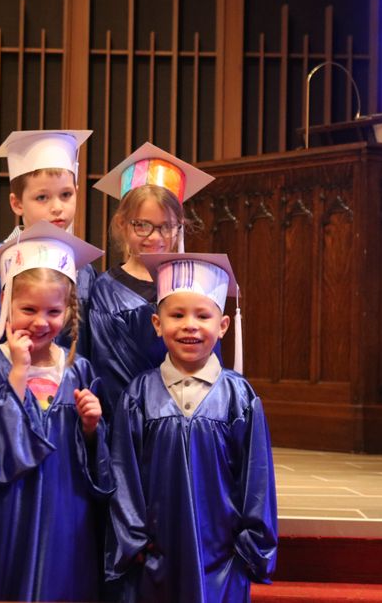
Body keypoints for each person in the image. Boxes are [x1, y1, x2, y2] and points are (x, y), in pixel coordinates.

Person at [0, 222, 114, 601]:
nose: (41, 322)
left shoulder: (80, 371)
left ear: (68, 311)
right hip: (4, 514)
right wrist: (18, 373)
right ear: (6, 306)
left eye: (53, 311)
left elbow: (96, 466)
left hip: (64, 514)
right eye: (28, 309)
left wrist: (92, 428)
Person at [106, 252, 277, 603]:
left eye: (203, 315)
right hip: (156, 555)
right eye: (177, 315)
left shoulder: (238, 397)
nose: (190, 325)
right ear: (157, 323)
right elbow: (124, 474)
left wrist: (251, 546)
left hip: (223, 557)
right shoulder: (138, 395)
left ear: (223, 326)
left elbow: (257, 478)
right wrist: (133, 542)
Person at [0, 129, 96, 391]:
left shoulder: (83, 268)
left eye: (66, 194)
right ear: (17, 203)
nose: (57, 207)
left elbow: (89, 349)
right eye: (42, 197)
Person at [89, 142, 216, 413]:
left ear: (179, 226)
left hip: (186, 418)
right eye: (142, 225)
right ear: (122, 224)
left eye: (166, 227)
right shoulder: (104, 291)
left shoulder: (195, 287)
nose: (155, 238)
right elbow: (106, 371)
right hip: (125, 423)